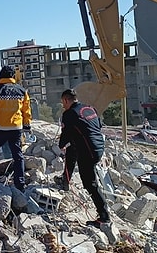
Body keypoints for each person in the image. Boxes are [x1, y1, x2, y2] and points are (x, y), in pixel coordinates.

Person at [58, 88, 110, 227]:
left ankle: (104, 217)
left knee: (90, 184)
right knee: (72, 150)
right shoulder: (89, 108)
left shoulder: (69, 114)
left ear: (66, 100)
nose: (63, 106)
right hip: (98, 146)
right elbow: (96, 126)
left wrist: (60, 144)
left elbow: (65, 136)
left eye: (63, 103)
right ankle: (65, 179)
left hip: (89, 151)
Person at [0, 65, 31, 192]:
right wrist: (27, 125)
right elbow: (26, 110)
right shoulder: (22, 90)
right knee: (18, 156)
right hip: (16, 128)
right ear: (13, 77)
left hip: (0, 127)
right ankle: (20, 183)